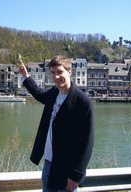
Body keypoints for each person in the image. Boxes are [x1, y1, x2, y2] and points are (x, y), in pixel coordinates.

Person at [19, 55, 94, 192]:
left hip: (67, 168)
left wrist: (75, 175)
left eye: (60, 72)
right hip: (49, 163)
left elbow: (87, 142)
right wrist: (26, 76)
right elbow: (40, 94)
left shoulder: (83, 102)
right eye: (53, 72)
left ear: (69, 72)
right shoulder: (54, 93)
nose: (56, 76)